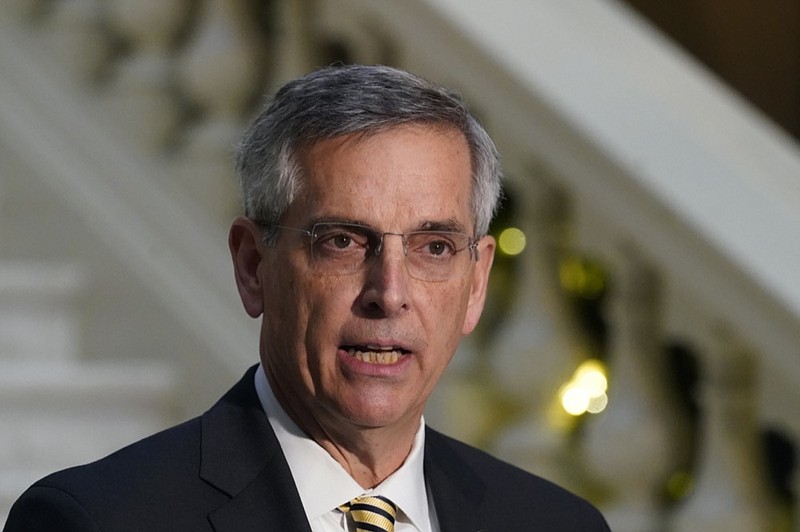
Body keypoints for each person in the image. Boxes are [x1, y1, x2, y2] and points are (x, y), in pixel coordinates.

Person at [4, 64, 609, 531]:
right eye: (342, 241)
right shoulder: (98, 522)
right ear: (252, 266)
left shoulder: (557, 525)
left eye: (434, 248)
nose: (389, 294)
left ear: (476, 284)